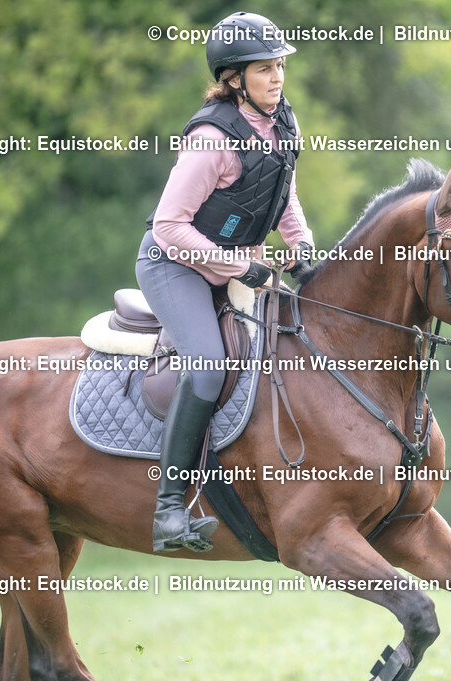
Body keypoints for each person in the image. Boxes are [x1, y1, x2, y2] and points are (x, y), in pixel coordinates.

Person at [135, 11, 314, 553]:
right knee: (210, 367)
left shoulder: (282, 122)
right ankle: (168, 507)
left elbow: (281, 194)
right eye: (264, 69)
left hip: (231, 266)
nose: (277, 77)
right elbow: (169, 227)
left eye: (279, 65)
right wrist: (241, 267)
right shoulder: (212, 138)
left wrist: (303, 245)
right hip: (174, 267)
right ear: (234, 78)